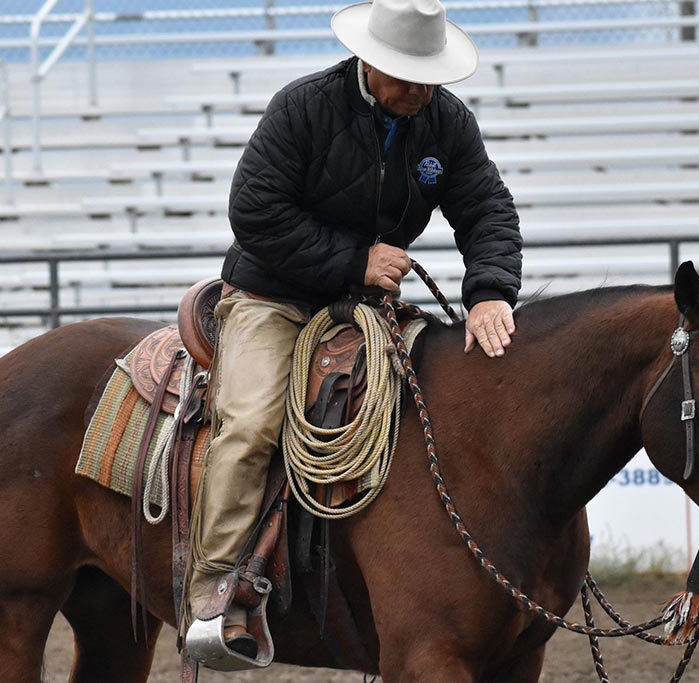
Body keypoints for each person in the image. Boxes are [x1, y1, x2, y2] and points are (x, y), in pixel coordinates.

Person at [186, 0, 523, 659]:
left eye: (429, 76)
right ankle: (214, 589)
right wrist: (353, 259)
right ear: (371, 61)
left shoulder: (444, 123)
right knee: (251, 421)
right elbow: (254, 210)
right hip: (272, 296)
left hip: (370, 306)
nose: (421, 89)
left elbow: (487, 208)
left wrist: (488, 292)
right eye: (407, 76)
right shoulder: (303, 107)